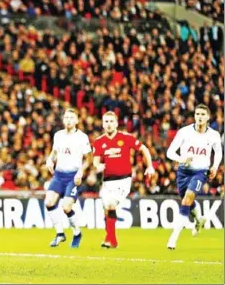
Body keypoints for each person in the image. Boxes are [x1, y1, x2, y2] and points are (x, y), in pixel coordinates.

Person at [93, 111, 155, 248]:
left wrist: (150, 166)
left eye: (111, 121)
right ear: (103, 124)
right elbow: (95, 162)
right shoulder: (98, 142)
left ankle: (110, 240)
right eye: (106, 122)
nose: (108, 124)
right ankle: (112, 241)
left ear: (116, 123)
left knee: (110, 205)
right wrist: (98, 166)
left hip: (123, 180)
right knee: (107, 210)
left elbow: (143, 149)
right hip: (107, 182)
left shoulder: (125, 138)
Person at [166, 104, 223, 249]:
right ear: (194, 116)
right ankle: (199, 219)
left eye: (203, 114)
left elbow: (218, 152)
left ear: (208, 117)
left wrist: (215, 166)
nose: (199, 117)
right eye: (197, 114)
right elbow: (170, 152)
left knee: (187, 199)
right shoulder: (184, 132)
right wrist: (181, 159)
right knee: (188, 202)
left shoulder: (214, 135)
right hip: (183, 172)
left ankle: (174, 237)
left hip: (200, 172)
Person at [45, 108, 92, 248]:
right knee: (49, 202)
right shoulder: (58, 135)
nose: (68, 120)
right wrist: (49, 160)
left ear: (77, 120)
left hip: (73, 176)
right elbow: (54, 153)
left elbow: (88, 159)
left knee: (66, 207)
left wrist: (80, 172)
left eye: (72, 117)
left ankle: (77, 232)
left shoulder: (82, 137)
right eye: (66, 117)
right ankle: (60, 233)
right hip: (59, 175)